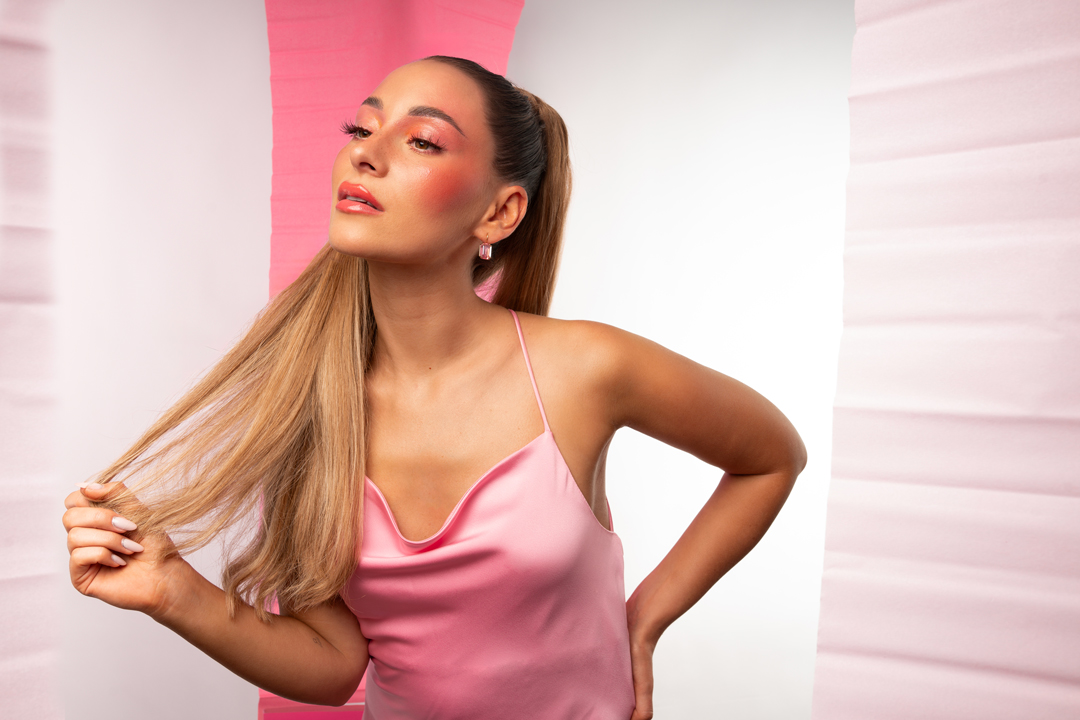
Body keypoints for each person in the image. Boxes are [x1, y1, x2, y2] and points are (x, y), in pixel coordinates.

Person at [62, 56, 806, 719]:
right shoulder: (311, 410)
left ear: (499, 212)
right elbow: (333, 663)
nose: (365, 152)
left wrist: (643, 622)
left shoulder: (586, 368)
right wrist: (173, 590)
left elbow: (772, 458)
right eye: (361, 129)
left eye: (421, 140)